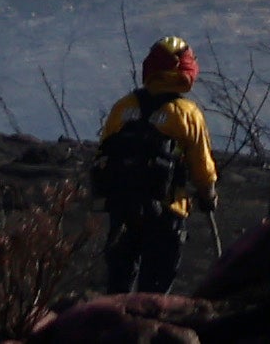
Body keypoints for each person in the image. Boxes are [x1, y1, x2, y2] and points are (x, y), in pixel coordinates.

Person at [93, 37, 220, 295]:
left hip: (123, 210)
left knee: (118, 287)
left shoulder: (123, 107)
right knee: (154, 292)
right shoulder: (186, 113)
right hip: (166, 214)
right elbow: (202, 169)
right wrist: (209, 196)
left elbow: (103, 153)